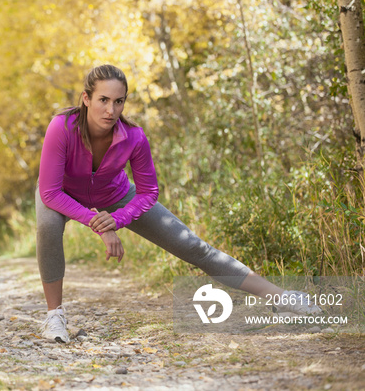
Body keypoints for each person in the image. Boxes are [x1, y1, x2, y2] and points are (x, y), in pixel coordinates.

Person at [36, 64, 320, 343]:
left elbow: (148, 192)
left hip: (115, 195)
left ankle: (282, 297)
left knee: (193, 245)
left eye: (119, 101)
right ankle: (54, 315)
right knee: (48, 225)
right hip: (62, 193)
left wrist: (119, 218)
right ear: (86, 99)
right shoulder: (62, 127)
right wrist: (100, 225)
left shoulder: (134, 138)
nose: (111, 110)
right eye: (103, 100)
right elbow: (48, 192)